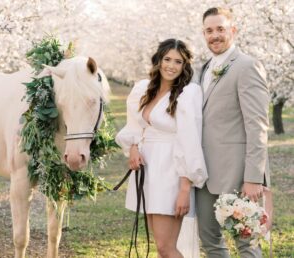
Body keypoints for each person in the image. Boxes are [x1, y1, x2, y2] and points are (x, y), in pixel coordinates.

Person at [116, 38, 208, 258]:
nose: (171, 66)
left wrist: (185, 189)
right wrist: (134, 148)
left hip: (171, 172)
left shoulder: (188, 93)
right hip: (149, 171)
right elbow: (135, 125)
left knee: (167, 248)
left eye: (178, 61)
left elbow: (190, 141)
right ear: (158, 60)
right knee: (160, 247)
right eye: (167, 59)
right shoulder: (143, 89)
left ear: (185, 66)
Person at [195, 7, 270, 258]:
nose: (214, 35)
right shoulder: (202, 70)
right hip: (204, 174)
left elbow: (257, 125)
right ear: (203, 34)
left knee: (246, 243)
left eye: (220, 29)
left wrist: (253, 177)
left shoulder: (247, 66)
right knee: (209, 240)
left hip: (238, 175)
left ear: (233, 31)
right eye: (209, 30)